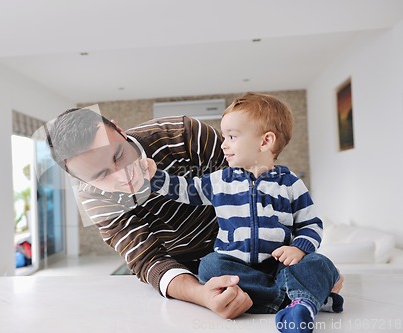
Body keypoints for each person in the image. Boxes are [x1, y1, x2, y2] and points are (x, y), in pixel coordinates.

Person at [46, 105, 343, 320]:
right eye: (101, 175)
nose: (123, 176)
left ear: (120, 130)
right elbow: (148, 260)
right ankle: (306, 293)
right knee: (212, 268)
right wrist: (203, 295)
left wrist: (295, 251)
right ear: (83, 181)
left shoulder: (182, 132)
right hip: (200, 268)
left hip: (260, 250)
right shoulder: (94, 198)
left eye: (118, 155)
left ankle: (299, 285)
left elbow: (254, 180)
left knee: (314, 262)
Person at [146, 92, 344, 332]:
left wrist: (299, 248)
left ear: (265, 142)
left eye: (232, 136)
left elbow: (311, 224)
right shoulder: (220, 180)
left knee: (320, 262)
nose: (223, 144)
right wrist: (154, 177)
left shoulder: (290, 183)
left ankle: (293, 302)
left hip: (280, 266)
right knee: (209, 266)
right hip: (238, 268)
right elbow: (187, 190)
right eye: (223, 136)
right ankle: (300, 300)